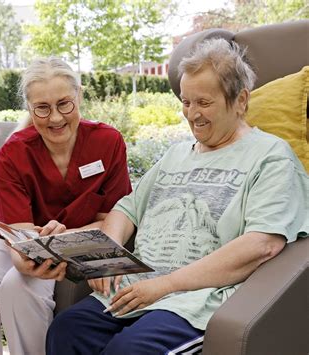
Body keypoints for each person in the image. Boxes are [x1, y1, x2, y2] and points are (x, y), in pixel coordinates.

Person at [46, 38, 308, 354]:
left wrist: (165, 285)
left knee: (128, 351)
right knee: (66, 330)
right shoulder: (175, 155)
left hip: (196, 301)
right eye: (186, 102)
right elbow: (126, 210)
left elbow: (262, 244)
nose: (192, 114)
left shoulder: (271, 156)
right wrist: (106, 260)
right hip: (133, 289)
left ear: (240, 101)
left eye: (204, 103)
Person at [0, 57, 132, 355]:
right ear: (29, 109)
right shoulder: (13, 153)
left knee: (19, 290)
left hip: (75, 241)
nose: (55, 118)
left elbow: (113, 218)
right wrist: (27, 253)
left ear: (78, 96)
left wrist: (65, 236)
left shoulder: (108, 142)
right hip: (14, 241)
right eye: (42, 108)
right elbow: (19, 238)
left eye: (64, 103)